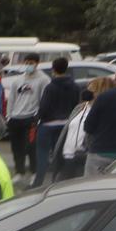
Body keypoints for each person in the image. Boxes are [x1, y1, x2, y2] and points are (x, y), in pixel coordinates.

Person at [33, 56, 81, 187]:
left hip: (47, 125)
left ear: (53, 69)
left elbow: (44, 107)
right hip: (65, 124)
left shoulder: (50, 87)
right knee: (59, 154)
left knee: (42, 154)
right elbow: (76, 105)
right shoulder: (75, 86)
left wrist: (37, 119)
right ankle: (57, 181)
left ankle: (38, 182)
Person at [55, 76, 108, 181]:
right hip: (66, 157)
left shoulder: (102, 112)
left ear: (100, 92)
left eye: (91, 89)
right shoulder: (79, 108)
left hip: (82, 159)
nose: (87, 92)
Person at [2, 52, 45, 180]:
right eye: (26, 63)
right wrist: (9, 116)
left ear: (37, 64)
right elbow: (11, 99)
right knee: (16, 147)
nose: (28, 66)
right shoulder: (18, 80)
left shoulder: (43, 80)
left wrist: (38, 117)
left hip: (31, 119)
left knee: (31, 147)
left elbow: (43, 100)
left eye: (31, 63)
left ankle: (34, 172)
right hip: (15, 118)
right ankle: (19, 172)